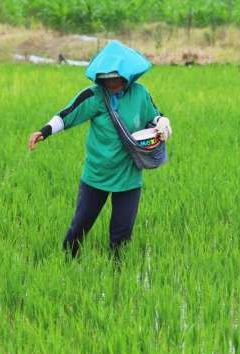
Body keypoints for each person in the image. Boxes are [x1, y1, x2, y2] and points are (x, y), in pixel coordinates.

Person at [27, 41, 172, 259]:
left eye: (116, 79)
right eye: (107, 79)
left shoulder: (140, 94)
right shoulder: (93, 96)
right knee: (80, 225)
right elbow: (67, 115)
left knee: (122, 234)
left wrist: (163, 123)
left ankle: (118, 273)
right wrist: (44, 131)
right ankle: (66, 263)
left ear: (127, 76)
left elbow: (155, 115)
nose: (112, 84)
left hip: (129, 176)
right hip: (97, 175)